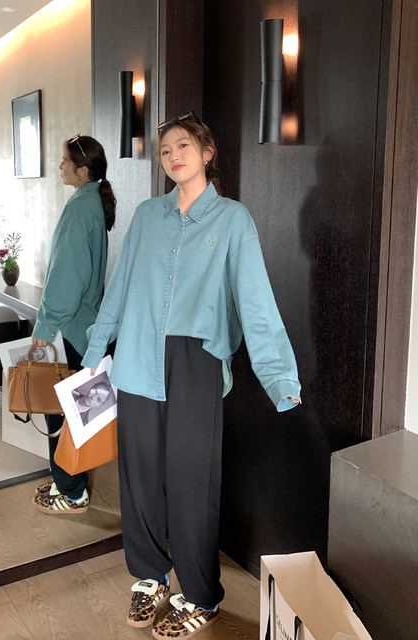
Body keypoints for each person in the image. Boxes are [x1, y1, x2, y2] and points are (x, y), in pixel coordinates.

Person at [82, 113, 301, 638]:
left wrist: (279, 378)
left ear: (207, 152)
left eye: (183, 145)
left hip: (196, 363)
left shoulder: (232, 220)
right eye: (164, 150)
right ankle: (149, 577)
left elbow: (255, 301)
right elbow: (119, 287)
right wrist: (95, 348)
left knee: (191, 481)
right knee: (139, 475)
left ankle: (201, 595)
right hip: (137, 356)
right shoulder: (147, 215)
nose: (173, 156)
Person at [32, 134, 116, 515]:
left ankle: (71, 492)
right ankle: (69, 484)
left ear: (82, 172)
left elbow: (66, 278)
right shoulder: (92, 202)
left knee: (62, 410)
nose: (60, 166)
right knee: (75, 410)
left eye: (65, 161)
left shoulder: (81, 208)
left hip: (69, 327)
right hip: (86, 327)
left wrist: (45, 326)